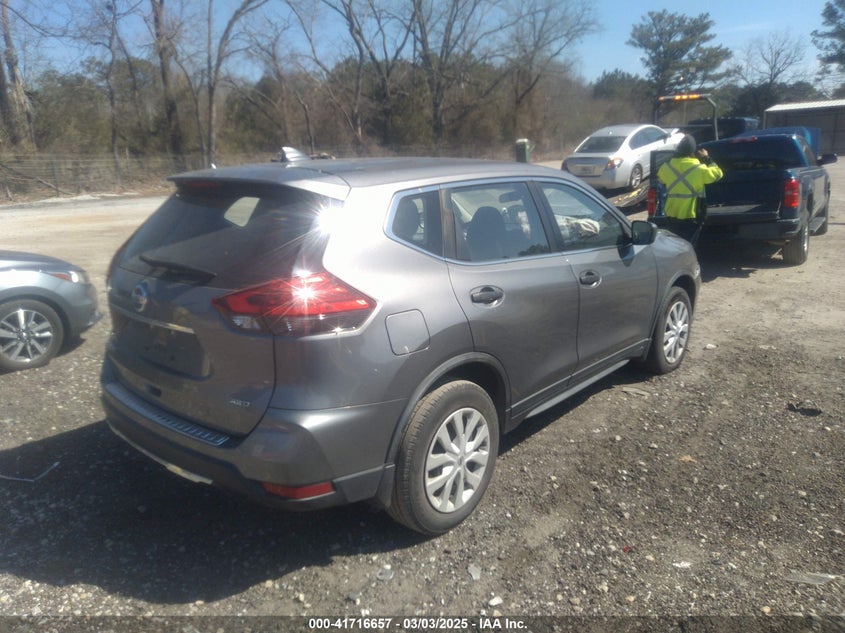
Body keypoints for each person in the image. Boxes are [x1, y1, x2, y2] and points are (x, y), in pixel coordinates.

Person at [657, 134, 723, 243]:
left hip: (672, 215)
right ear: (693, 152)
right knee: (688, 246)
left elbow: (661, 179)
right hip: (692, 215)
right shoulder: (699, 169)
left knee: (675, 245)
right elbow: (718, 174)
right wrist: (706, 158)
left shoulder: (666, 167)